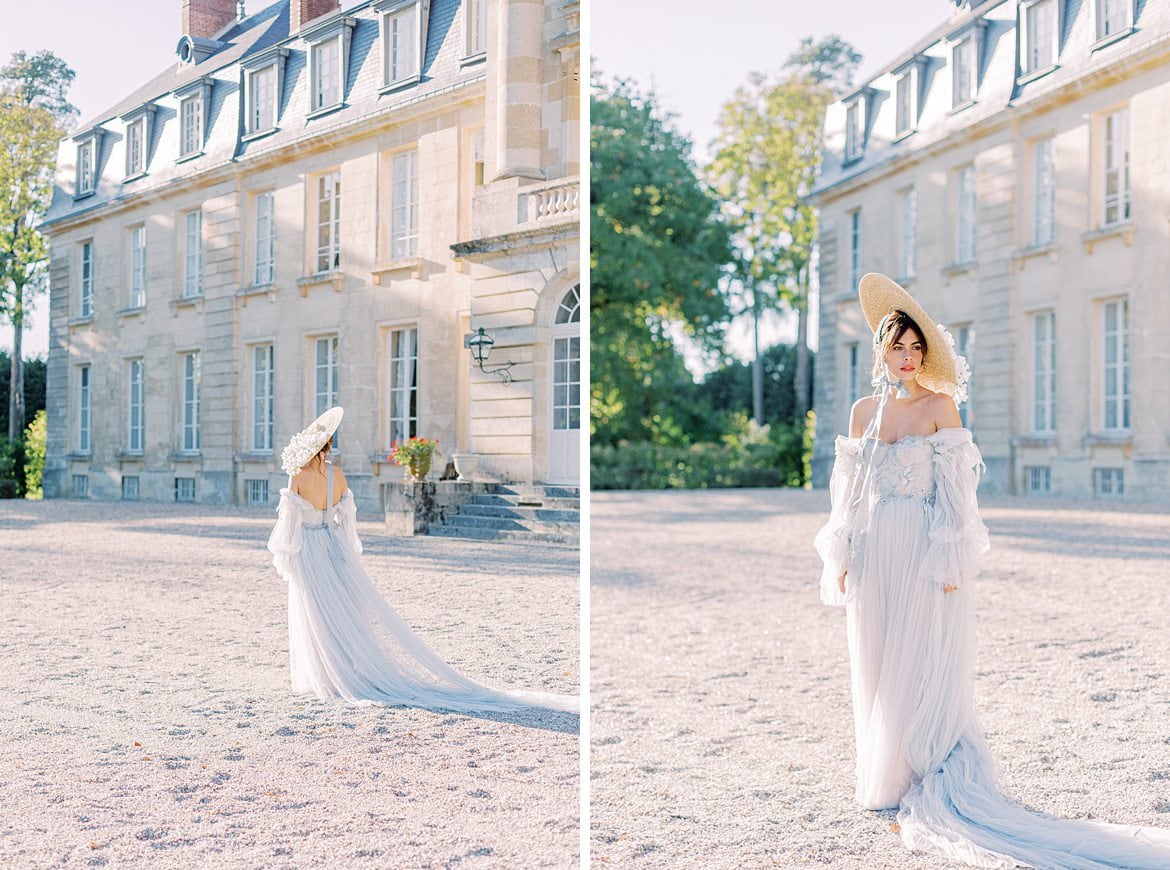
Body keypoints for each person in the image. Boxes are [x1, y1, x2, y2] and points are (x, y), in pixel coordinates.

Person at [814, 273, 1170, 867]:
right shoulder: (862, 412)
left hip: (923, 550)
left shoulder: (939, 405)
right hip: (876, 547)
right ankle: (887, 775)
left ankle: (925, 769)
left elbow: (956, 495)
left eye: (914, 347)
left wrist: (951, 558)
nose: (905, 357)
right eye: (895, 346)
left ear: (925, 353)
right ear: (879, 349)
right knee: (876, 655)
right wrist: (844, 554)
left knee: (919, 655)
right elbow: (846, 493)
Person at [266, 407, 577, 715]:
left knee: (316, 609)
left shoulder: (297, 476)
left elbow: (288, 525)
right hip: (333, 544)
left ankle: (326, 674)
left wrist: (289, 554)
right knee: (342, 608)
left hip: (310, 546)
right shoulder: (338, 475)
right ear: (328, 447)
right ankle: (344, 667)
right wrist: (340, 545)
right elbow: (345, 518)